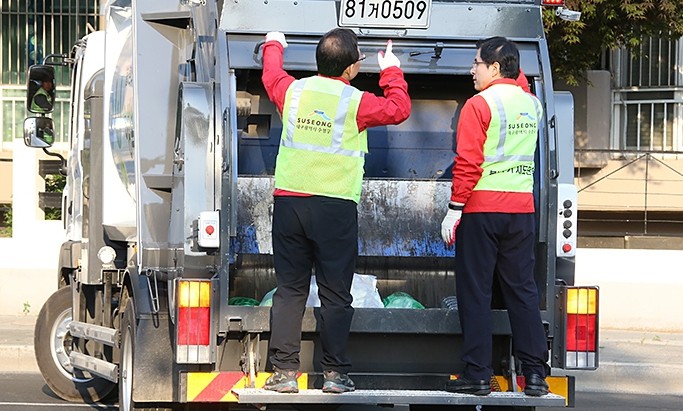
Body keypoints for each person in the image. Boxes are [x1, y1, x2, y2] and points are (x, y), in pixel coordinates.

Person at [261, 28, 411, 394]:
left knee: (290, 290)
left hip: (291, 203)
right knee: (335, 293)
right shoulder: (356, 101)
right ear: (349, 68)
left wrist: (274, 43)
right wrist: (391, 70)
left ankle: (283, 374)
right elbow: (399, 109)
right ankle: (334, 374)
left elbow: (270, 74)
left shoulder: (293, 92)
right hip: (335, 207)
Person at [440, 36, 550, 397]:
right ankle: (534, 374)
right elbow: (516, 85)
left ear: (495, 67)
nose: (472, 70)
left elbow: (469, 162)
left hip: (482, 210)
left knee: (476, 292)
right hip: (521, 211)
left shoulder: (478, 104)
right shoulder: (531, 105)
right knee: (522, 292)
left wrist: (454, 209)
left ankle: (477, 374)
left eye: (477, 63)